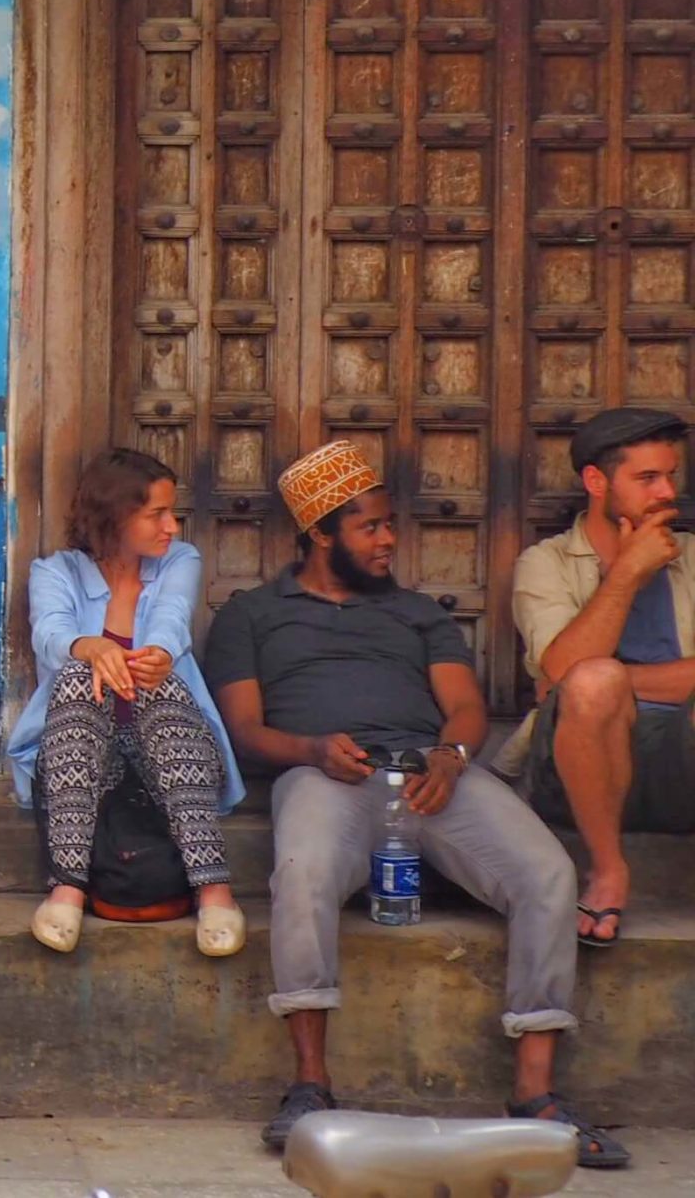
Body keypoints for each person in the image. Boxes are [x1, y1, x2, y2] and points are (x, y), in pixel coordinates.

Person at [202, 441, 627, 1170]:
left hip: (434, 779)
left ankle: (535, 1095)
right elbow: (242, 727)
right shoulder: (251, 615)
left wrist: (452, 756)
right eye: (370, 527)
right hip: (325, 776)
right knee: (300, 872)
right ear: (319, 535)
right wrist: (310, 750)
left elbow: (463, 706)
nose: (389, 539)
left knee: (549, 873)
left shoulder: (417, 612)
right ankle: (310, 1085)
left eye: (389, 524)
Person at [6, 448, 245, 956]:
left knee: (151, 680)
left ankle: (215, 890)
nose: (172, 526)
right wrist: (87, 646)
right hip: (83, 760)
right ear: (115, 516)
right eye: (156, 514)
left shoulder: (180, 561)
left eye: (170, 511)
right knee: (78, 674)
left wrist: (157, 654)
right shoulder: (57, 572)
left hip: (175, 750)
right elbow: (50, 633)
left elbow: (173, 616)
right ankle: (67, 888)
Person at [506, 407, 695, 947]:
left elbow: (561, 676)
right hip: (572, 772)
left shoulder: (693, 559)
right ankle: (608, 870)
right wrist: (629, 573)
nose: (666, 493)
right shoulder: (546, 564)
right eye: (646, 478)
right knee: (592, 685)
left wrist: (609, 676)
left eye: (670, 475)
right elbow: (570, 677)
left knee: (598, 677)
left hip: (678, 764)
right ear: (596, 481)